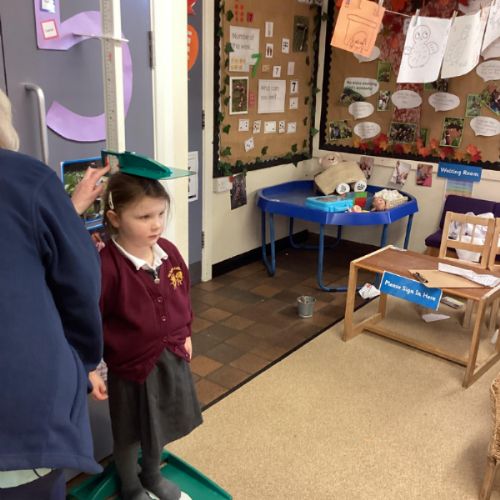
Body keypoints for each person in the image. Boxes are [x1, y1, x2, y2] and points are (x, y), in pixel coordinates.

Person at [0, 88, 107, 499]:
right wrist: (82, 362)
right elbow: (80, 285)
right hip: (23, 421)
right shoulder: (26, 177)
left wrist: (67, 208)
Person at [89, 172, 202, 500]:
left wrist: (186, 333)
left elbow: (183, 297)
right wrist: (90, 367)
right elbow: (90, 319)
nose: (156, 224)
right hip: (129, 368)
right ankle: (131, 486)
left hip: (170, 357)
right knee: (129, 434)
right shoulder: (105, 267)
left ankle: (152, 474)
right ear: (115, 218)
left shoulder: (169, 252)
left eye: (160, 214)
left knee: (160, 423)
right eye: (144, 217)